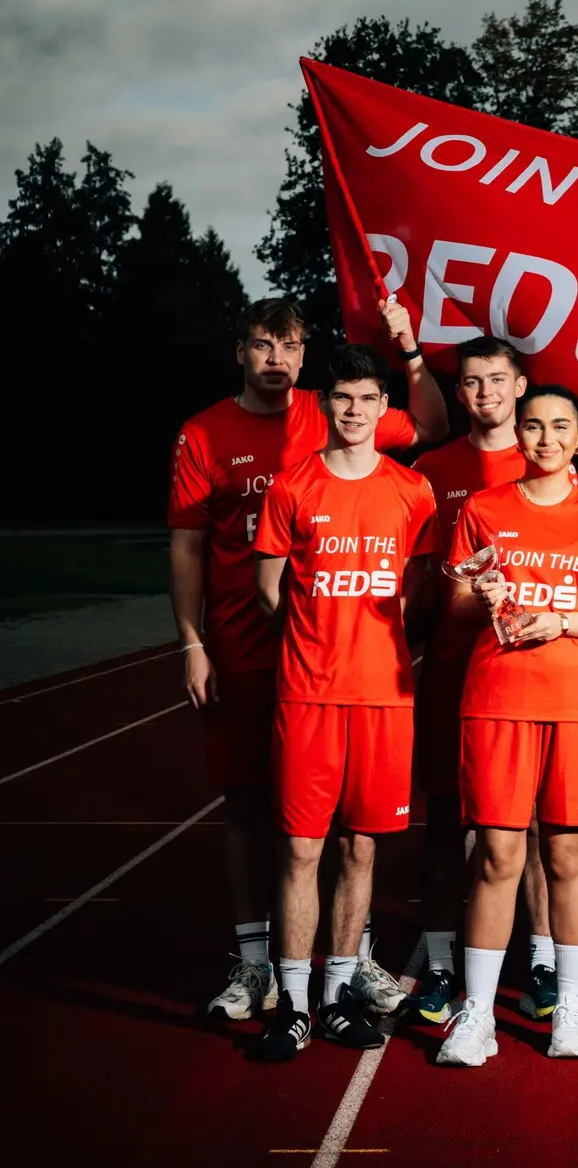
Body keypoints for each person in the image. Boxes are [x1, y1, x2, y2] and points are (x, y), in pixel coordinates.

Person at [168, 295, 447, 1024]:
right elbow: (189, 545)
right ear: (241, 351)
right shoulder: (205, 433)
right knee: (252, 806)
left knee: (355, 831)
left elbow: (433, 426)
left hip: (352, 664)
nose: (276, 358)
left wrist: (408, 344)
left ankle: (348, 963)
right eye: (262, 344)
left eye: (289, 346)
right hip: (252, 647)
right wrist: (194, 641)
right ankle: (258, 963)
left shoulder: (360, 429)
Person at [436, 386, 578, 1067]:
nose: (546, 438)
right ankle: (477, 1017)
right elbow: (460, 604)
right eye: (534, 426)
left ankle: (572, 1010)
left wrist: (561, 622)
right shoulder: (485, 510)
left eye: (560, 427)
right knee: (496, 856)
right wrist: (482, 595)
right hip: (498, 698)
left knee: (567, 858)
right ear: (518, 434)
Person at [253, 347, 438, 1060]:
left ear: (384, 407)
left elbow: (418, 594)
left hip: (384, 699)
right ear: (324, 404)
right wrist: (317, 642)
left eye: (367, 398)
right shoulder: (291, 488)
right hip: (308, 695)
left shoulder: (412, 493)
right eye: (342, 397)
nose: (354, 410)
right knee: (301, 849)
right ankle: (292, 1004)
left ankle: (334, 1000)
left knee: (361, 849)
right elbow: (269, 592)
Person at [409, 336, 558, 1025]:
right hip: (450, 672)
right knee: (443, 822)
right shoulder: (431, 469)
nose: (486, 393)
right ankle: (441, 966)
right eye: (471, 383)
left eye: (498, 380)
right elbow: (417, 582)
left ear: (521, 385)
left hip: (529, 674)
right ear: (459, 392)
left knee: (524, 827)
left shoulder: (546, 462)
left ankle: (542, 960)